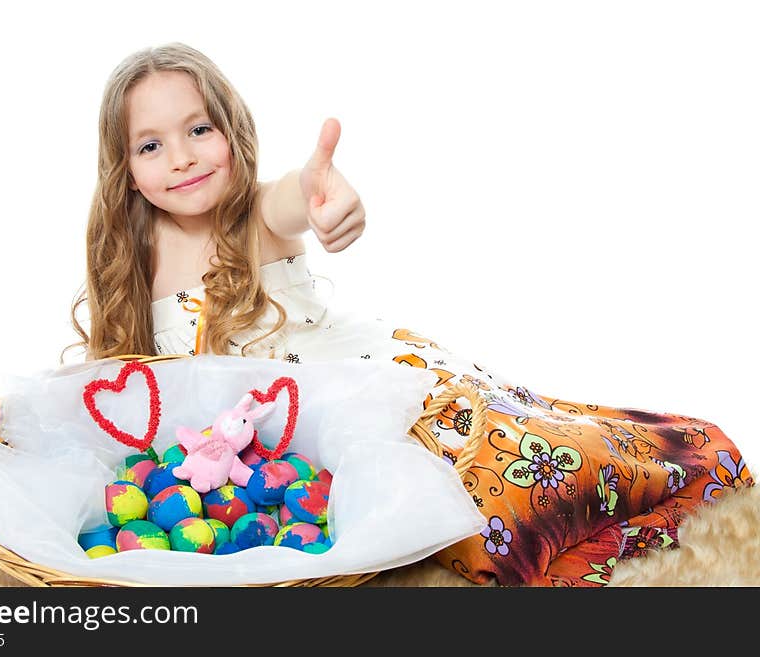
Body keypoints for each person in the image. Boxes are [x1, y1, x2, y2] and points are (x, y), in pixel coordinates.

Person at [67, 42, 754, 587]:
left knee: (508, 468)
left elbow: (291, 201)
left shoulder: (250, 218)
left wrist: (321, 197)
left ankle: (683, 458)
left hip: (377, 382)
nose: (182, 156)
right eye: (151, 144)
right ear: (125, 169)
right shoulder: (132, 260)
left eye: (198, 129)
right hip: (282, 452)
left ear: (231, 132)